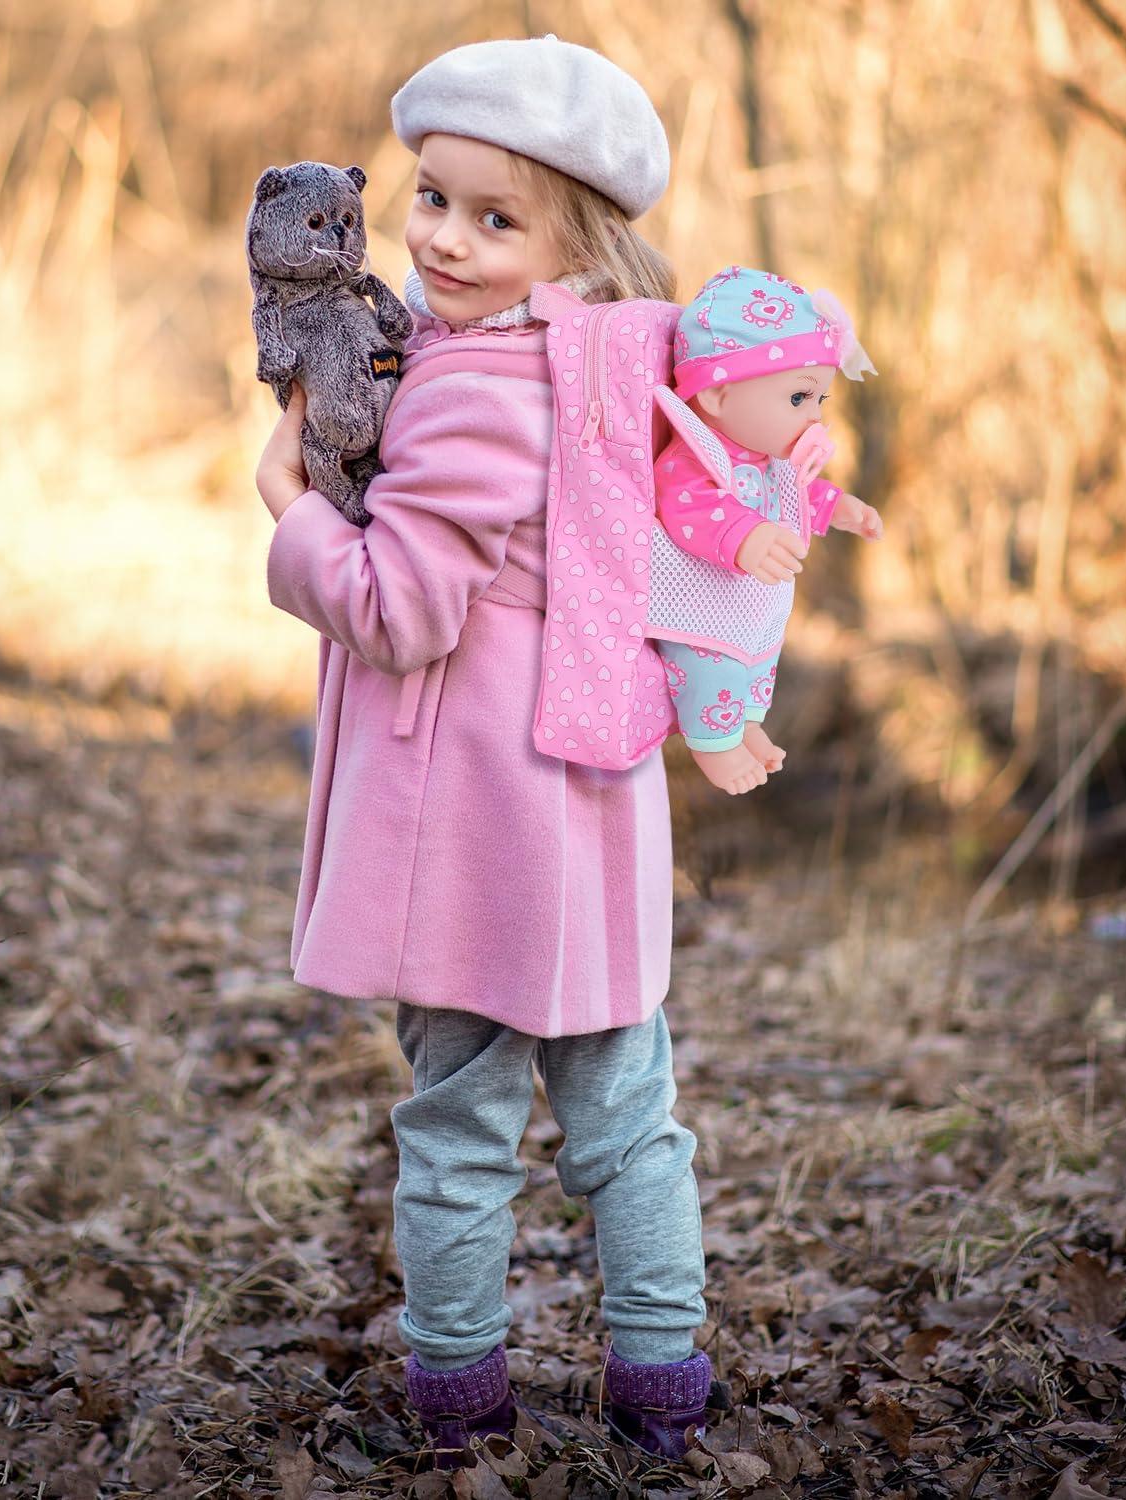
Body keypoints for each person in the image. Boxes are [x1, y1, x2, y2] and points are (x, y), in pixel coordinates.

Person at [255, 37, 713, 1469]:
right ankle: (662, 1388)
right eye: (433, 197)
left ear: (572, 236)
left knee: (456, 1125)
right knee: (628, 1121)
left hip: (473, 828)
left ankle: (457, 1405)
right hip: (588, 811)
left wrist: (291, 509)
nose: (445, 237)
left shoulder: (470, 388)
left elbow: (401, 608)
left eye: (495, 217)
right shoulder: (592, 364)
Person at [648, 268, 884, 796]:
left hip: (749, 608)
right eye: (799, 398)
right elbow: (687, 506)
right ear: (718, 396)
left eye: (820, 400)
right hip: (700, 605)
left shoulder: (769, 458)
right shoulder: (696, 455)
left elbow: (796, 496)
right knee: (710, 666)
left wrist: (841, 508)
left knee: (757, 662)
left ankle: (746, 722)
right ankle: (713, 742)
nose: (814, 418)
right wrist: (745, 535)